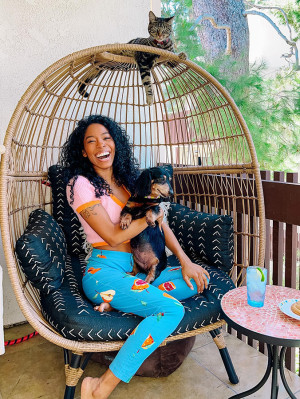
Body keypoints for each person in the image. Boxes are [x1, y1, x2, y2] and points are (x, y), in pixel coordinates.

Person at [60, 114, 210, 399]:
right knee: (172, 310)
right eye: (91, 141)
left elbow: (161, 224)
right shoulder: (80, 184)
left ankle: (135, 298)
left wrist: (186, 261)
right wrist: (153, 214)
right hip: (104, 273)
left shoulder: (129, 182)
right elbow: (115, 236)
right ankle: (100, 387)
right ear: (83, 151)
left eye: (106, 138)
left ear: (116, 143)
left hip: (142, 271)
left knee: (197, 279)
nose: (101, 145)